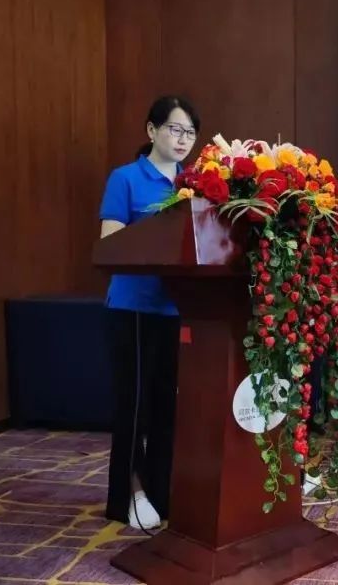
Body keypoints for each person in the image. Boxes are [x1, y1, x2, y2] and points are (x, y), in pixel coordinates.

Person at [99, 96, 200, 527]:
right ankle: (128, 495)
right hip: (133, 307)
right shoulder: (125, 179)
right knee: (135, 406)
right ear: (151, 131)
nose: (182, 140)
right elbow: (110, 243)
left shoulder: (195, 184)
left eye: (189, 133)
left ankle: (161, 493)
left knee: (166, 408)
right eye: (174, 129)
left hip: (175, 308)